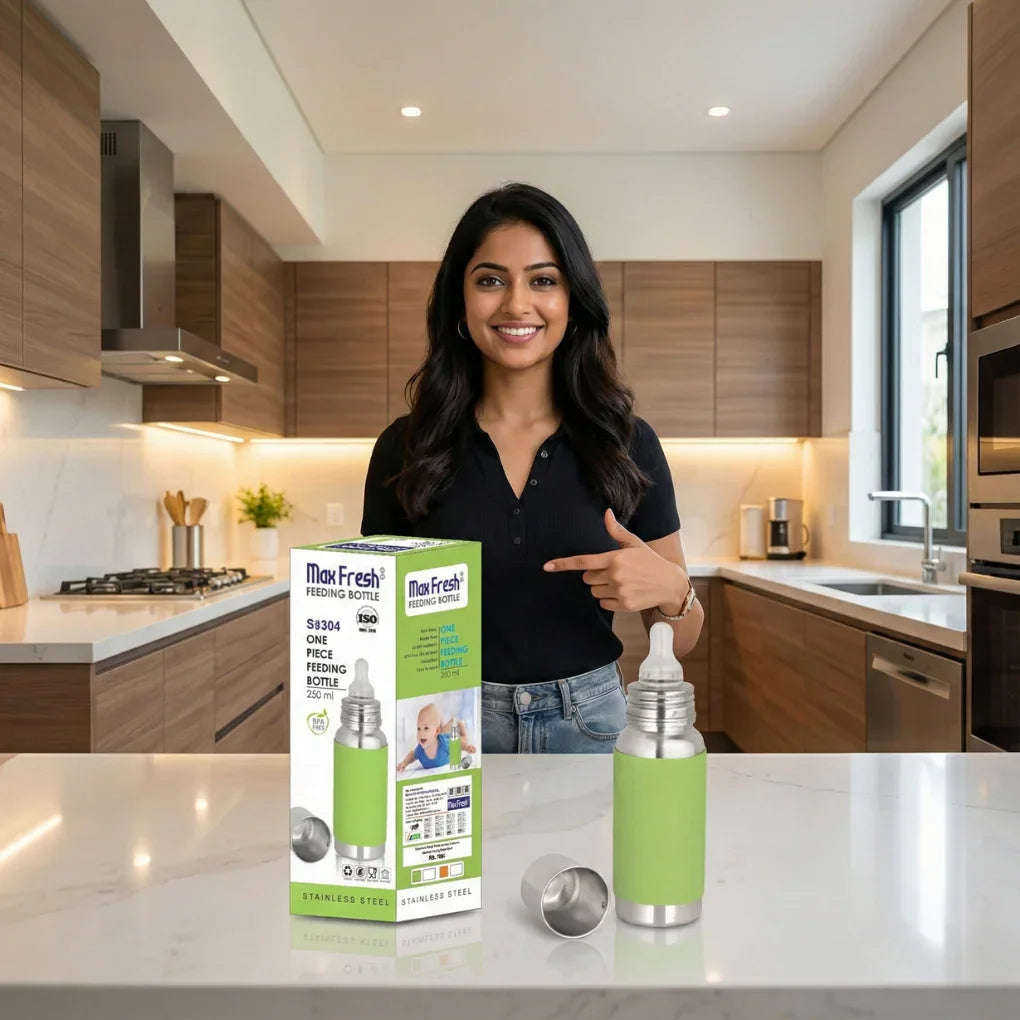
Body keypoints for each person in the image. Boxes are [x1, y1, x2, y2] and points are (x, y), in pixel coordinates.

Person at [362, 183, 704, 754]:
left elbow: (683, 640)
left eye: (543, 280)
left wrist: (673, 590)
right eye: (490, 279)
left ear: (573, 301)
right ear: (459, 299)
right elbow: (372, 629)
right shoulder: (406, 448)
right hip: (450, 724)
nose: (516, 304)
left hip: (593, 723)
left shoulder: (627, 442)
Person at [396, 703, 476, 772]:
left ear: (436, 731)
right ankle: (451, 723)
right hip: (438, 735)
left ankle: (459, 724)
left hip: (448, 738)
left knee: (464, 738)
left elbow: (458, 743)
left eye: (426, 728)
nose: (421, 733)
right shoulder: (420, 750)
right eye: (418, 729)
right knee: (442, 732)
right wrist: (404, 763)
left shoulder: (444, 744)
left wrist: (467, 747)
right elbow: (412, 755)